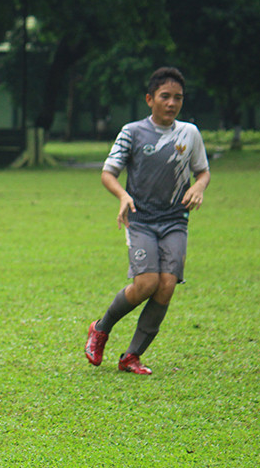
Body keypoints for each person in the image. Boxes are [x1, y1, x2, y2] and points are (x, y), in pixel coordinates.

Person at [84, 67, 210, 375]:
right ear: (149, 99)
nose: (172, 103)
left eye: (178, 98)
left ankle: (132, 356)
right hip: (140, 219)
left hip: (174, 220)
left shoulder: (189, 133)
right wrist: (123, 197)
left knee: (166, 286)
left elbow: (203, 171)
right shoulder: (132, 132)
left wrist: (198, 186)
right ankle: (101, 328)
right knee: (146, 283)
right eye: (165, 97)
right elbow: (107, 174)